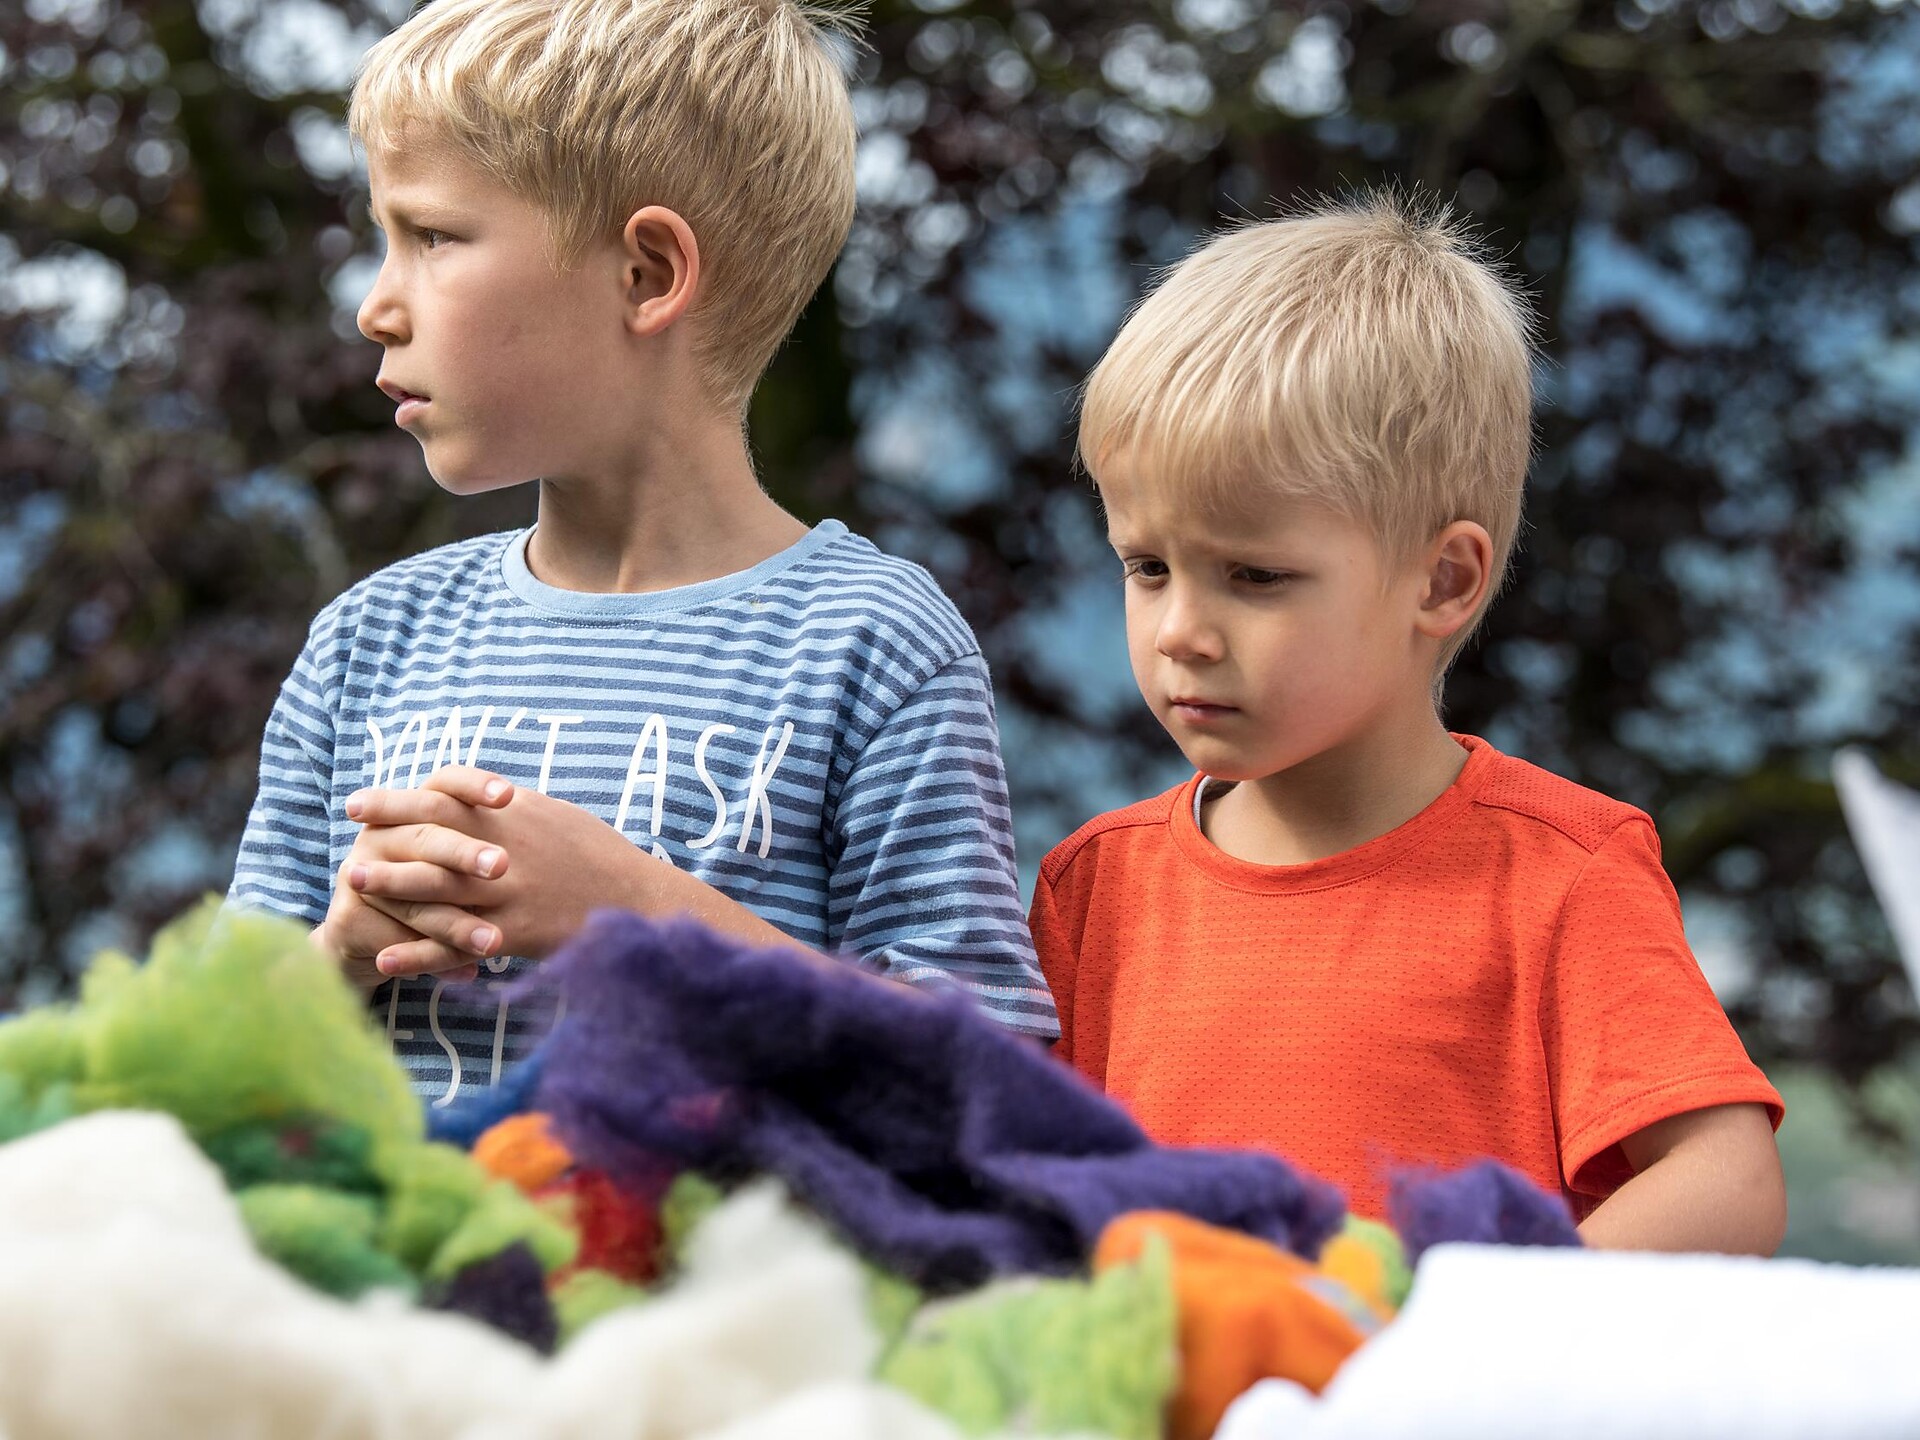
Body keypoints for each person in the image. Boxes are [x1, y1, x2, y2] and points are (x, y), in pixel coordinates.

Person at [228, 0, 1056, 1106]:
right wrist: (337, 954)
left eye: (432, 237)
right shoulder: (364, 645)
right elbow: (209, 1071)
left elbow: (991, 1091)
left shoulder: (871, 646)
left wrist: (638, 912)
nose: (376, 307)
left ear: (648, 274)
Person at [1029, 194, 1787, 1253]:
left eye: (1255, 576)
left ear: (1443, 581)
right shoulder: (1092, 890)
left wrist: (1458, 1328)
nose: (1180, 632)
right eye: (1148, 567)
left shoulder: (1566, 874)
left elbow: (1728, 1183)